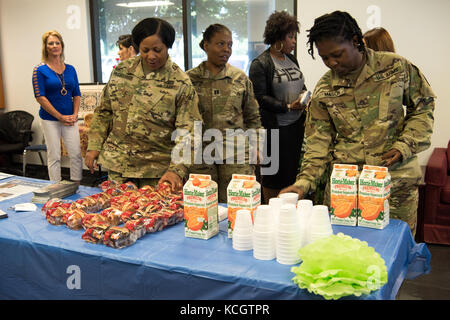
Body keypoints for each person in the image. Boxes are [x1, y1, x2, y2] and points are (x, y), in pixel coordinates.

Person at [280, 11, 436, 236]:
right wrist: (303, 183)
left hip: (395, 182)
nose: (332, 63)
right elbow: (318, 145)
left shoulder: (396, 68)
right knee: (345, 252)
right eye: (325, 58)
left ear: (356, 42)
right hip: (346, 188)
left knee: (396, 252)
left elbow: (424, 107)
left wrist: (405, 145)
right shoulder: (325, 89)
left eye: (337, 54)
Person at [85, 18, 202, 191]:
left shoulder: (180, 82)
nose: (151, 56)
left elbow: (189, 132)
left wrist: (177, 170)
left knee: (151, 216)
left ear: (168, 47)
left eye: (157, 50)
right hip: (119, 168)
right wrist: (94, 146)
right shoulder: (122, 71)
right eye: (145, 50)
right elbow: (104, 112)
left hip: (158, 174)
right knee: (115, 214)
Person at [187, 24, 262, 203]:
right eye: (220, 44)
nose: (226, 50)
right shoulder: (189, 79)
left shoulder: (240, 78)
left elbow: (253, 117)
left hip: (236, 153)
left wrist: (257, 146)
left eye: (229, 45)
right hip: (201, 154)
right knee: (204, 205)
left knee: (238, 203)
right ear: (206, 45)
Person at [249, 11, 308, 204]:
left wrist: (305, 97)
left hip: (295, 127)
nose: (294, 42)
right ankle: (272, 209)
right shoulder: (261, 63)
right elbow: (260, 97)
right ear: (278, 37)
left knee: (292, 173)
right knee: (273, 175)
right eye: (291, 37)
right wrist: (287, 106)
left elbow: (301, 85)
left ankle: (290, 210)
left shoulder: (292, 59)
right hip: (274, 130)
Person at [32, 30, 83, 183]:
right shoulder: (39, 70)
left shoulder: (71, 69)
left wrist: (74, 115)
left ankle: (77, 186)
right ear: (45, 47)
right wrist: (60, 117)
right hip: (50, 120)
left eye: (57, 43)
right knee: (54, 156)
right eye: (51, 43)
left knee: (75, 154)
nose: (55, 46)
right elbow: (40, 97)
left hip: (70, 119)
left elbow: (77, 94)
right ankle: (56, 188)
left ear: (62, 45)